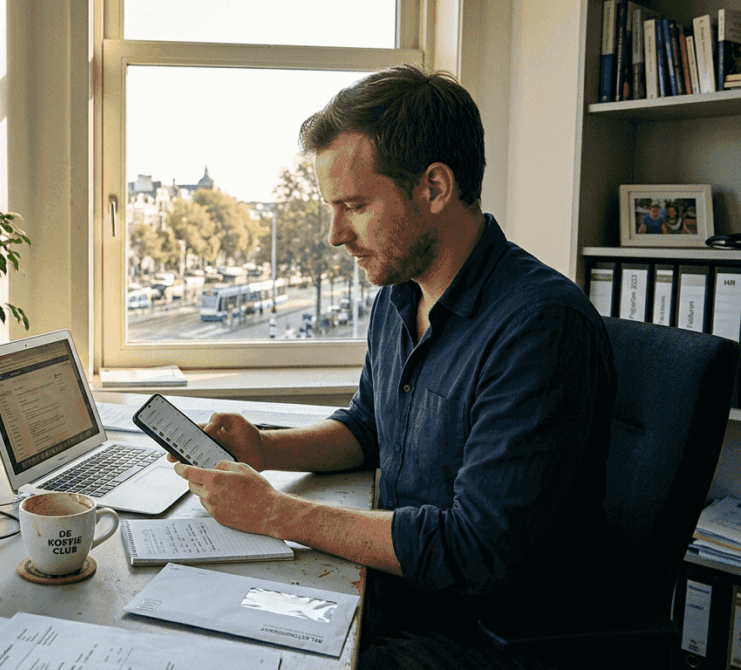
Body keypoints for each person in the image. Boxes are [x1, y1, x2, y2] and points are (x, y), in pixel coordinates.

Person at [171, 64, 615, 669]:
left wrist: (278, 513)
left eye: (354, 205)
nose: (334, 235)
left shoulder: (539, 327)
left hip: (475, 637)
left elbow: (473, 551)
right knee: (194, 621)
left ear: (434, 188)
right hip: (393, 590)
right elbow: (369, 428)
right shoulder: (399, 296)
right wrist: (267, 450)